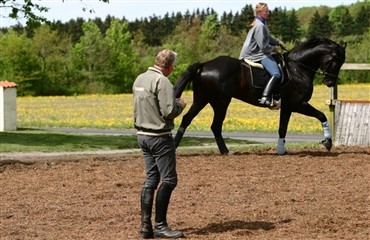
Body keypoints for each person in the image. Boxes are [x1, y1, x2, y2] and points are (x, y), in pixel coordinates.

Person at [133, 49, 187, 239]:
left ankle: (145, 228)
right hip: (159, 137)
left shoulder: (140, 78)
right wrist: (180, 104)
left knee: (151, 180)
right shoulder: (162, 81)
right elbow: (168, 111)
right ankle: (161, 226)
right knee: (170, 180)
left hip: (142, 135)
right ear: (170, 67)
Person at [239, 2, 287, 107]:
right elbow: (264, 47)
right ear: (260, 12)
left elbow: (267, 38)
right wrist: (274, 49)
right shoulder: (260, 26)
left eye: (268, 11)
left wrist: (278, 42)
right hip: (256, 54)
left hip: (256, 52)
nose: (268, 13)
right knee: (276, 74)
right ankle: (265, 97)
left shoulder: (261, 22)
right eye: (266, 11)